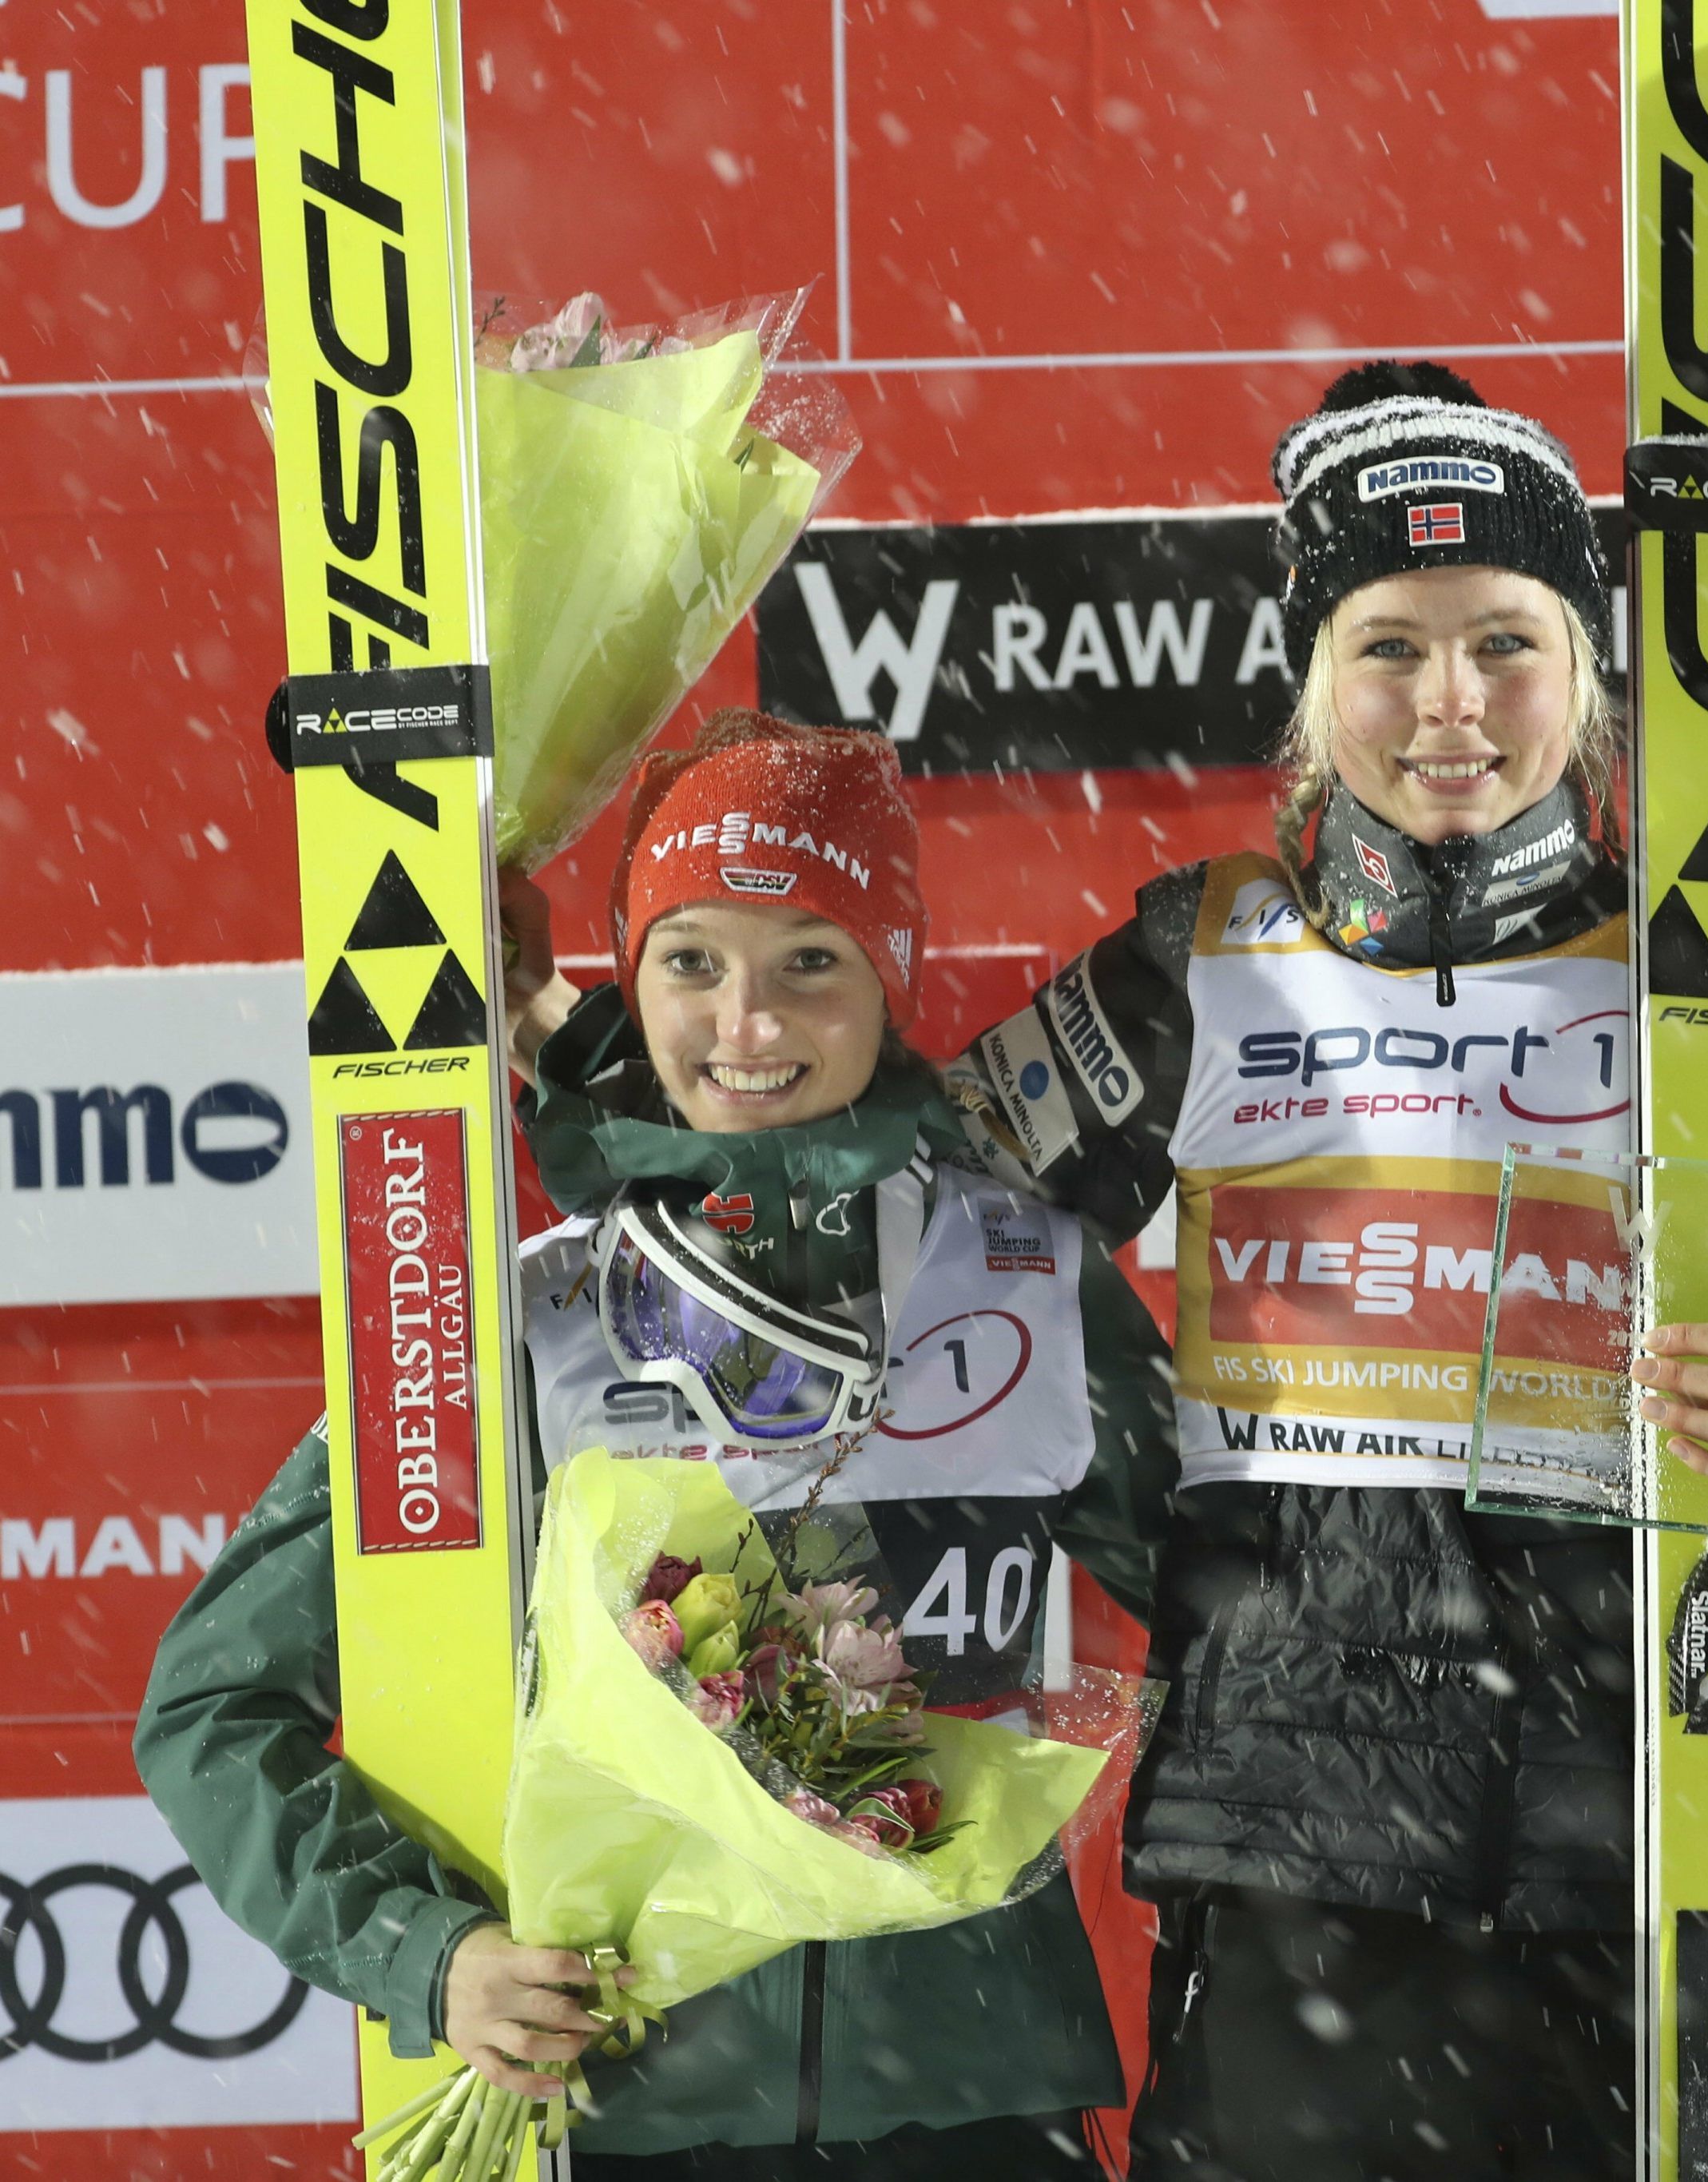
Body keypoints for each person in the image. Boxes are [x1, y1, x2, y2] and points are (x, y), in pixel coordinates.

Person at [942, 360, 1708, 2181]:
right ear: (1311, 676)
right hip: (1296, 1865)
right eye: (1389, 646)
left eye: (1505, 639)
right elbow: (893, 1222)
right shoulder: (1201, 954)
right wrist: (573, 1064)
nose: (1451, 704)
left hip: (1665, 1844)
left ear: (1587, 666)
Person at [137, 713, 1178, 2179]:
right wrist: (433, 1957)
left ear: (892, 979)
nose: (745, 1027)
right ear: (631, 980)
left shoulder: (1027, 1278)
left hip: (981, 2107)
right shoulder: (526, 1322)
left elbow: (1242, 1604)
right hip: (644, 2106)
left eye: (810, 960)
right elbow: (211, 1705)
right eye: (692, 962)